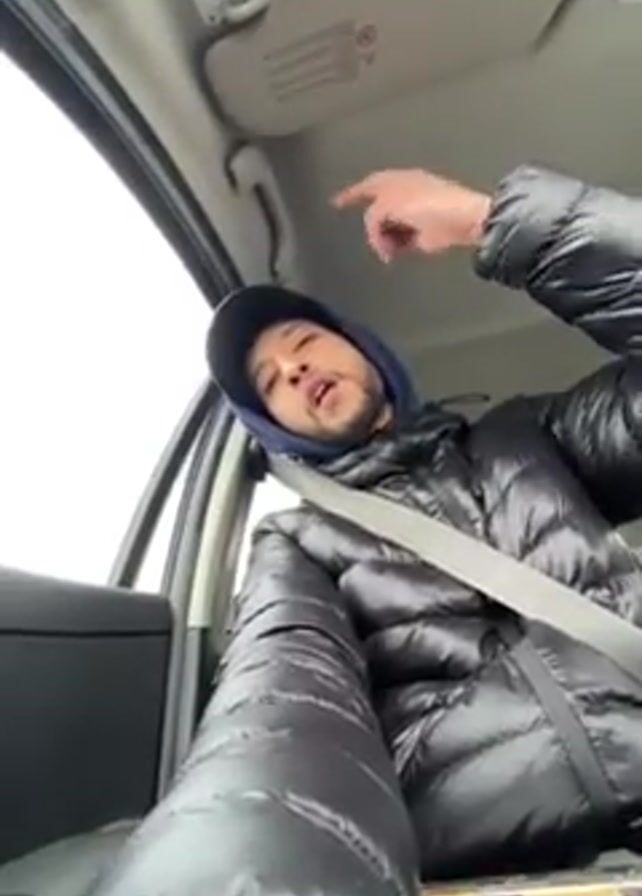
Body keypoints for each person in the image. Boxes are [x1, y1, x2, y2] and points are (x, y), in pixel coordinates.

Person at [93, 167, 642, 896]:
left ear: (364, 349)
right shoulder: (298, 543)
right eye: (268, 383)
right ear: (275, 427)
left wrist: (491, 221)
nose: (292, 368)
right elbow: (281, 708)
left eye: (302, 341)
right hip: (499, 872)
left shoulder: (529, 438)